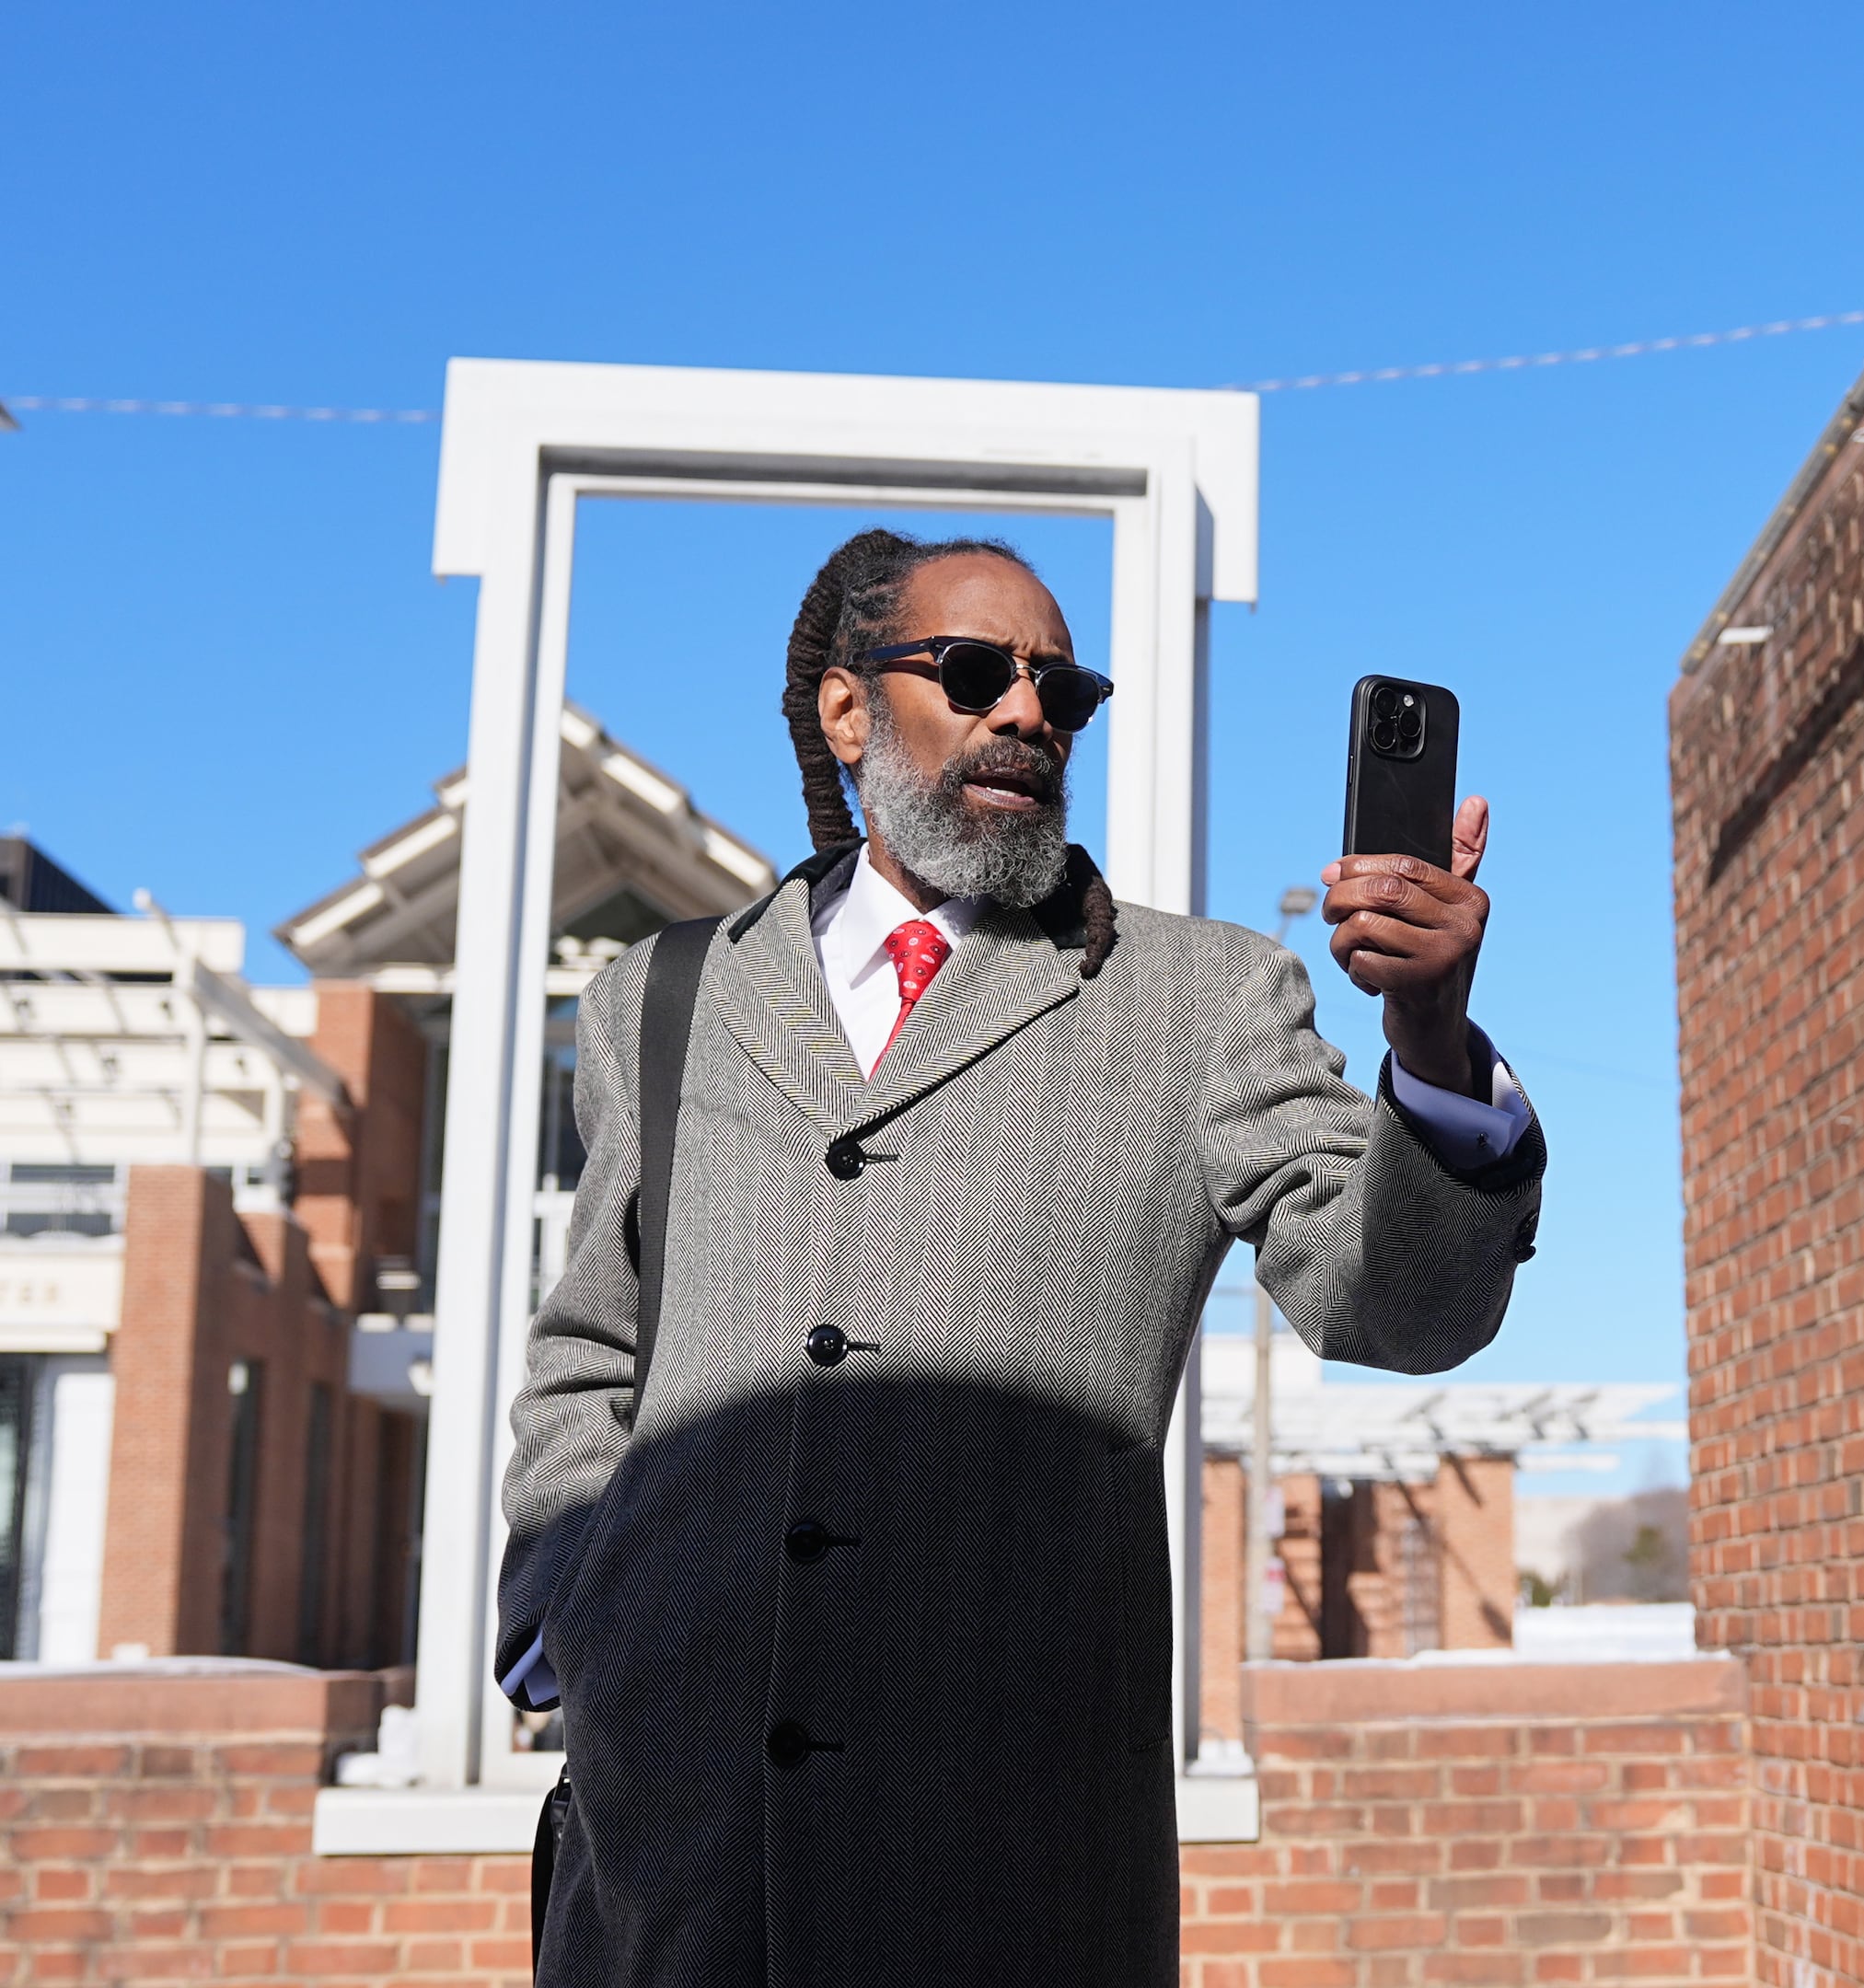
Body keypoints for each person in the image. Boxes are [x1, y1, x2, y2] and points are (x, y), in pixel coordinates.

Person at [494, 528, 1542, 1985]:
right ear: (848, 713)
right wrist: (578, 1631)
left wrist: (1428, 1049)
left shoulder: (1205, 1000)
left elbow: (1398, 1308)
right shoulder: (657, 1000)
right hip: (670, 1862)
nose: (1028, 713)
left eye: (1064, 688)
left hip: (1015, 1869)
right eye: (977, 672)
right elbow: (590, 1349)